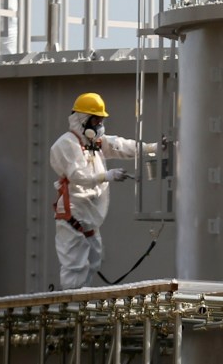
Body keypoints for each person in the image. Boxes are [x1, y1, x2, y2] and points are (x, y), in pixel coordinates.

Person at [50, 92, 161, 290]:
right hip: (72, 215)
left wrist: (151, 148)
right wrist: (106, 176)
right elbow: (78, 175)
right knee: (74, 267)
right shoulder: (67, 144)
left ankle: (83, 304)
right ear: (83, 120)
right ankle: (73, 307)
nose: (99, 124)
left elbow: (122, 146)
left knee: (93, 261)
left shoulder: (93, 143)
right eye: (96, 119)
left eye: (101, 120)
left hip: (91, 216)